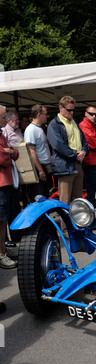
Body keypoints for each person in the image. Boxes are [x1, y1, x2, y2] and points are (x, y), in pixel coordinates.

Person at [47, 96, 89, 233]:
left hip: (77, 164)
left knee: (77, 199)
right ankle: (65, 229)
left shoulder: (74, 122)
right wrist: (76, 154)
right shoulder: (54, 124)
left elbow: (84, 141)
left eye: (73, 110)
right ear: (61, 108)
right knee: (65, 199)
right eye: (69, 110)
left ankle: (77, 226)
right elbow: (58, 145)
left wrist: (83, 151)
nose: (71, 113)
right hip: (65, 165)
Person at [0, 105, 19, 269]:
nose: (6, 119)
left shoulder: (1, 133)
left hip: (5, 182)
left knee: (3, 220)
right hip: (1, 183)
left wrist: (10, 151)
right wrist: (10, 152)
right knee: (1, 221)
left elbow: (14, 154)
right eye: (3, 116)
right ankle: (1, 254)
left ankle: (3, 250)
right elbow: (4, 159)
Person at [79, 106, 96, 207]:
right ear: (86, 114)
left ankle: (95, 210)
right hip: (91, 163)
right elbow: (94, 144)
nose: (94, 116)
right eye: (91, 114)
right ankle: (94, 212)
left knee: (95, 189)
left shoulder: (92, 125)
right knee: (93, 190)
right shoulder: (84, 126)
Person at [24, 105, 52, 201]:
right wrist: (40, 170)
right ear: (39, 114)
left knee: (45, 195)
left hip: (44, 166)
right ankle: (40, 216)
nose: (47, 116)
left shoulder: (39, 128)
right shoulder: (31, 130)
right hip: (39, 167)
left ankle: (44, 215)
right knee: (38, 196)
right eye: (46, 114)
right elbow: (32, 151)